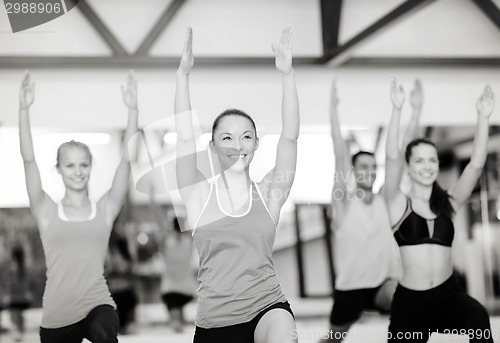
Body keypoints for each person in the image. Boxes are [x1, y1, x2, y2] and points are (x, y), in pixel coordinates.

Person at [174, 27, 299, 343]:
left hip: (268, 308)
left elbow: (289, 138)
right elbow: (185, 137)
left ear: (256, 143)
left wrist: (287, 75)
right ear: (212, 146)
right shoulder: (198, 194)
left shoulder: (270, 192)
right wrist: (182, 75)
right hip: (215, 323)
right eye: (226, 137)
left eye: (246, 137)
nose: (237, 145)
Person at [18, 70, 139, 343]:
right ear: (59, 169)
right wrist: (23, 110)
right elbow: (28, 161)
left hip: (98, 304)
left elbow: (127, 161)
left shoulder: (105, 209)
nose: (78, 171)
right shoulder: (46, 211)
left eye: (84, 164)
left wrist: (133, 110)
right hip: (57, 314)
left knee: (103, 332)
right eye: (70, 165)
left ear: (91, 167)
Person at [384, 78, 495, 342]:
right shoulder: (397, 202)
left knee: (476, 316)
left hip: (448, 295)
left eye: (432, 160)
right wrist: (397, 110)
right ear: (408, 167)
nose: (427, 166)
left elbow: (476, 165)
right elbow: (391, 159)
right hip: (411, 303)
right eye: (419, 161)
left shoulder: (449, 202)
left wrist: (482, 117)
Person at [321, 79, 423, 343]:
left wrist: (415, 111)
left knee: (406, 297)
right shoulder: (343, 202)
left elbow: (401, 156)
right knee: (332, 340)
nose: (370, 171)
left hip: (382, 284)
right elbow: (338, 154)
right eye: (363, 166)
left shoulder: (384, 200)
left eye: (373, 166)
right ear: (354, 172)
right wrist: (333, 109)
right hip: (350, 288)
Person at [159, 216, 196, 333]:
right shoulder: (188, 241)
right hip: (186, 286)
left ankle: (177, 326)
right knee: (179, 320)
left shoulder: (167, 240)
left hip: (170, 286)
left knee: (175, 323)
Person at [105, 228, 138, 335]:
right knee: (127, 329)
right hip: (124, 293)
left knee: (122, 330)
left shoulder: (113, 256)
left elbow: (107, 272)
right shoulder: (127, 257)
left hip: (119, 293)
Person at [8, 245, 32, 342]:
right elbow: (25, 282)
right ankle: (20, 332)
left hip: (15, 295)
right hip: (21, 295)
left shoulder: (13, 266)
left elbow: (12, 282)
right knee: (19, 315)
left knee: (15, 315)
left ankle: (18, 333)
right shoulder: (23, 265)